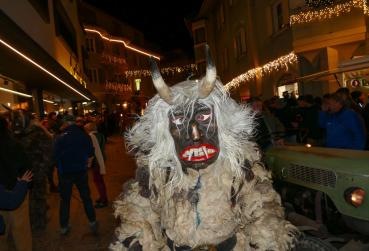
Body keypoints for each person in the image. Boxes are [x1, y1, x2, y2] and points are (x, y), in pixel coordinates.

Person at [110, 46, 297, 250]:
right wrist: (138, 238)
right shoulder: (157, 171)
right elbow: (139, 209)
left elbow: (261, 203)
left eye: (203, 118)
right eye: (180, 121)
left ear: (221, 123)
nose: (196, 135)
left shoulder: (238, 166)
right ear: (166, 132)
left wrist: (268, 237)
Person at [53, 116, 97, 235]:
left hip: (65, 173)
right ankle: (92, 221)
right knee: (86, 197)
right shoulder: (85, 136)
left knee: (65, 200)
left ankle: (63, 226)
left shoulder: (60, 138)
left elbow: (55, 157)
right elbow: (91, 153)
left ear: (66, 123)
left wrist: (60, 167)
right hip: (81, 172)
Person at [12, 110, 53, 232]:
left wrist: (42, 170)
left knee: (38, 198)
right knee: (30, 199)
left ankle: (39, 223)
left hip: (37, 171)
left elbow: (47, 153)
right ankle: (34, 222)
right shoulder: (23, 132)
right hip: (25, 172)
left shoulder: (38, 132)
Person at [0, 114, 32, 251]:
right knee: (21, 230)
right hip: (17, 189)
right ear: (6, 126)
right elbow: (26, 167)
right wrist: (26, 184)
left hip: (1, 196)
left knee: (2, 232)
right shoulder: (14, 144)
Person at [84, 122, 108, 208]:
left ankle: (103, 200)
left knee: (98, 180)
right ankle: (102, 197)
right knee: (99, 180)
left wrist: (89, 162)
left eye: (86, 129)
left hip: (96, 160)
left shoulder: (91, 137)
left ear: (89, 129)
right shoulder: (100, 135)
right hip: (101, 158)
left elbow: (92, 151)